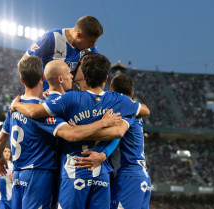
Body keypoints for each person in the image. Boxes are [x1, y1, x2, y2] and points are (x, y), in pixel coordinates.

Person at [10, 54, 150, 209]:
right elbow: (145, 110)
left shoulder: (71, 98)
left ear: (84, 74)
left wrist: (16, 104)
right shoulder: (118, 100)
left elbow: (35, 112)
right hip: (101, 173)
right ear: (106, 78)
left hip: (74, 170)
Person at [23, 15, 103, 90]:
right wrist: (35, 90)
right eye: (91, 42)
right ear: (79, 35)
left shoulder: (90, 49)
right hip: (45, 96)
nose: (93, 45)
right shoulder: (50, 38)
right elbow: (24, 62)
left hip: (67, 97)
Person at [109, 74, 151, 209]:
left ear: (111, 92)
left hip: (128, 176)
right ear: (132, 94)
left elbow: (119, 131)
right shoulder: (134, 109)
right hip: (141, 175)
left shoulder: (126, 112)